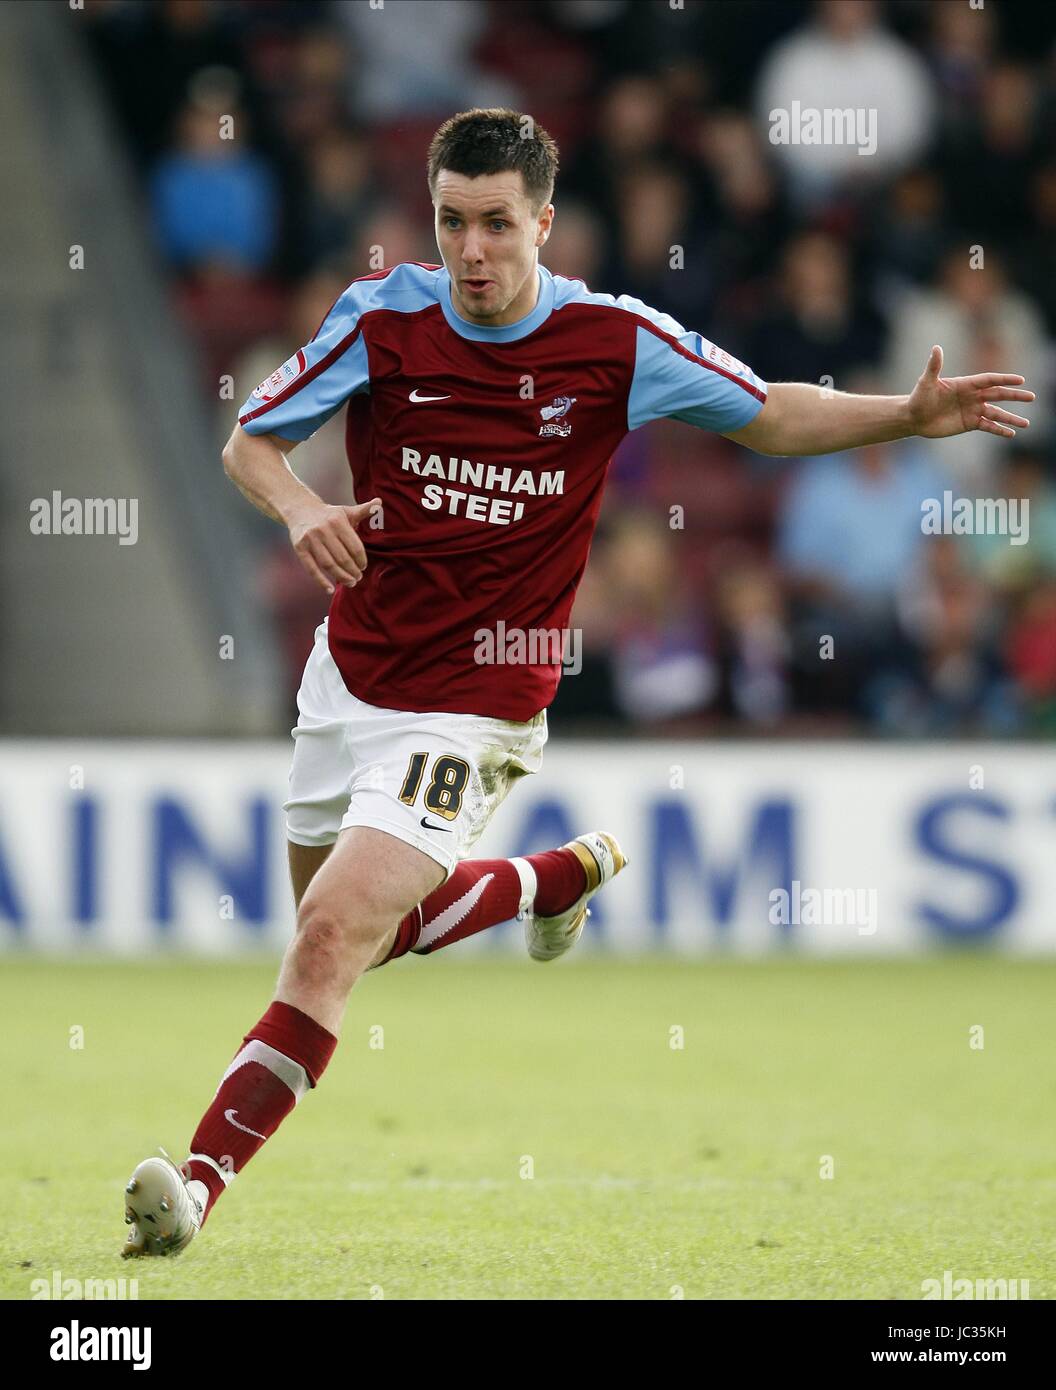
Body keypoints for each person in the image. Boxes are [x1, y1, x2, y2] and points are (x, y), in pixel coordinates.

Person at [120, 107, 1033, 1257]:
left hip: (479, 700)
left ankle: (193, 1186)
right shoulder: (382, 317)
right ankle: (550, 879)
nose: (472, 251)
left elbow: (770, 414)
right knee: (360, 938)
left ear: (543, 222)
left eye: (498, 224)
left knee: (330, 933)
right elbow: (250, 443)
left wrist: (903, 414)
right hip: (346, 680)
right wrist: (302, 508)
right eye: (452, 222)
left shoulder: (613, 340)